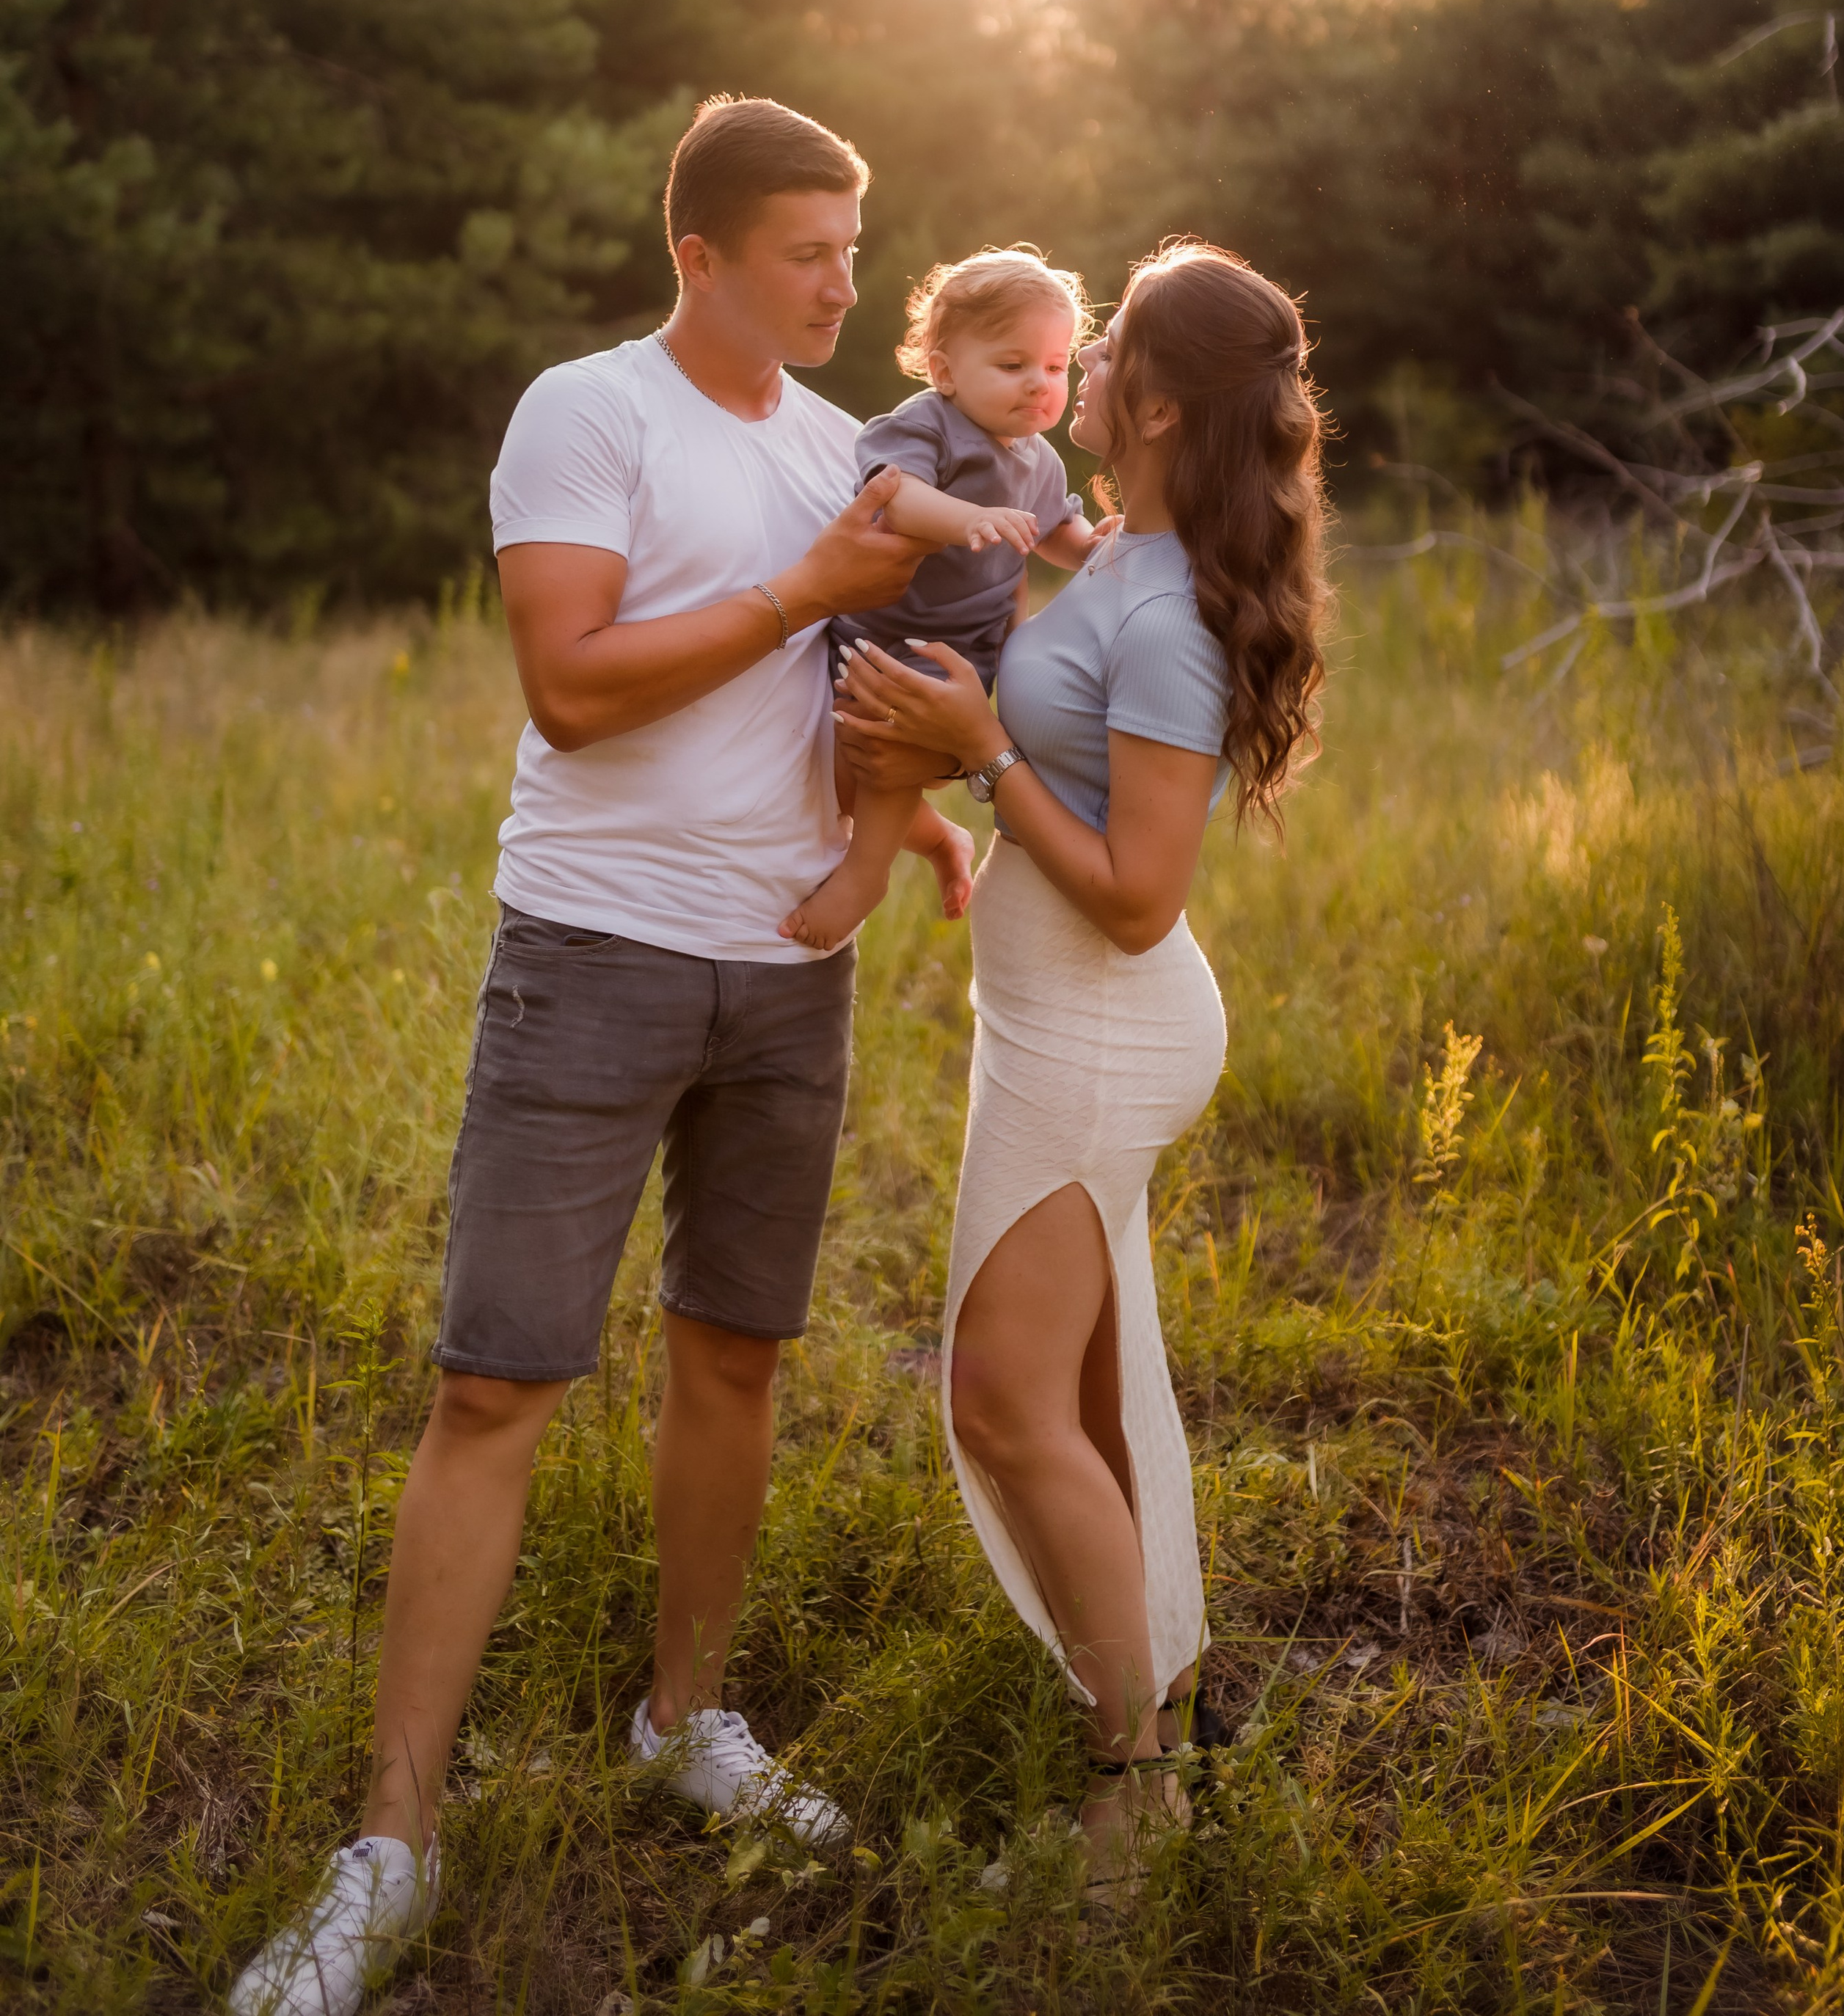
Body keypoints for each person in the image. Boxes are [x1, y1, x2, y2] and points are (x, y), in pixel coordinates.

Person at [230, 97, 937, 2016]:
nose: (841, 286)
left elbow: (864, 692)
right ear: (695, 251)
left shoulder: (847, 452)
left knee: (735, 1356)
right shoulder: (589, 412)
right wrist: (806, 597)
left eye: (854, 250)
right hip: (596, 956)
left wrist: (914, 808)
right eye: (806, 251)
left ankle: (683, 1723)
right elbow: (575, 678)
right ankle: (391, 1844)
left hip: (789, 975)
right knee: (497, 1389)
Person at [834, 240, 1331, 1904]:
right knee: (1098, 1398)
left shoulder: (1171, 613)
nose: (1077, 355)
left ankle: (1136, 1783)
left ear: (1161, 399)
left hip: (1099, 1024)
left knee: (998, 1392)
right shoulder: (1111, 544)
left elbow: (1136, 896)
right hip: (1039, 1015)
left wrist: (976, 755)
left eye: (1105, 340)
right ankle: (1164, 1693)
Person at [781, 246, 1098, 952]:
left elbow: (1055, 530)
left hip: (947, 652)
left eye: (1055, 366)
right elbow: (898, 499)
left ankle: (864, 876)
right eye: (1013, 365)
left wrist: (1092, 548)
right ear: (945, 370)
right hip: (884, 627)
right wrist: (968, 519)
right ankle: (936, 840)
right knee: (833, 780)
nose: (1039, 386)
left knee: (884, 747)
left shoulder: (1038, 457)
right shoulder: (925, 425)